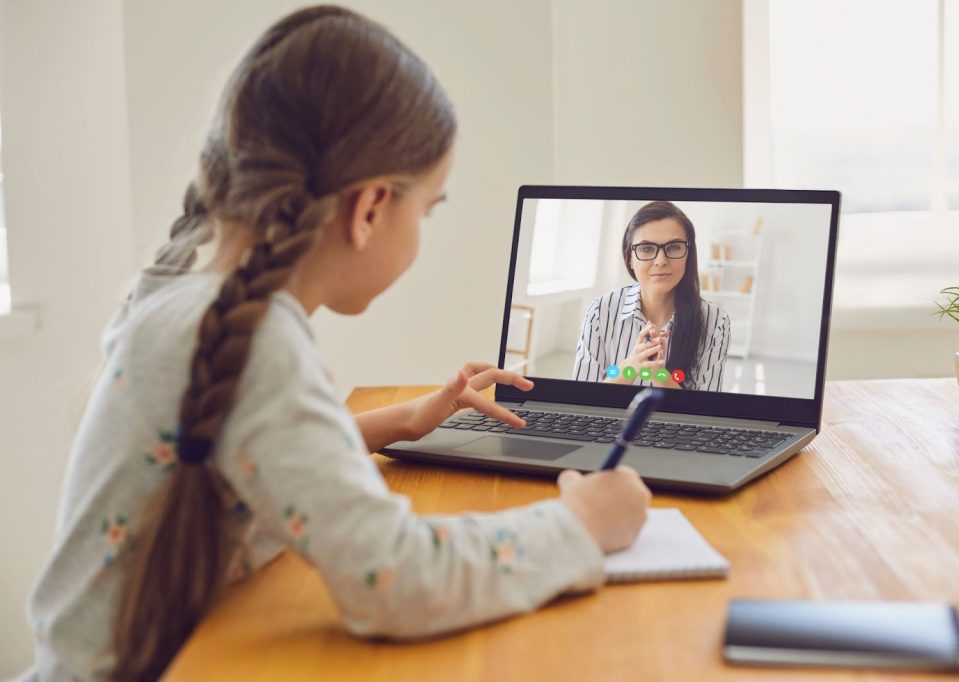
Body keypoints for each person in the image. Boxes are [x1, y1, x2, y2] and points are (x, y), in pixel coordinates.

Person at [20, 6, 651, 681]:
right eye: (428, 208)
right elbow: (398, 578)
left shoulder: (177, 288)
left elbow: (257, 453)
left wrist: (400, 422)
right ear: (371, 208)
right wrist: (579, 525)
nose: (423, 229)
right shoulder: (259, 341)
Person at [572, 201, 730, 390]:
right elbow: (583, 399)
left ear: (689, 254)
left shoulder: (715, 321)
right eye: (646, 249)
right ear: (630, 258)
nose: (661, 261)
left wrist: (659, 374)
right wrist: (634, 364)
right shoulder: (600, 311)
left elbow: (705, 414)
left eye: (674, 247)